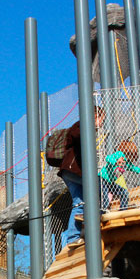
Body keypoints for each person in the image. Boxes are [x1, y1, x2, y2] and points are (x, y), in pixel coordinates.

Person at [58, 106, 106, 247]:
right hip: (74, 170)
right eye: (101, 119)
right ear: (95, 116)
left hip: (69, 171)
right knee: (101, 186)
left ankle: (73, 238)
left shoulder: (81, 127)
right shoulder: (81, 126)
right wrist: (88, 128)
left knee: (79, 202)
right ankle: (101, 217)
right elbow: (76, 135)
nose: (102, 123)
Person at [99, 140, 140, 211]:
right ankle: (103, 212)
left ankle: (123, 210)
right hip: (102, 179)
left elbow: (137, 170)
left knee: (124, 193)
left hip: (110, 183)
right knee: (105, 197)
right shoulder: (119, 154)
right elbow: (107, 158)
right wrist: (116, 162)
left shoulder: (127, 163)